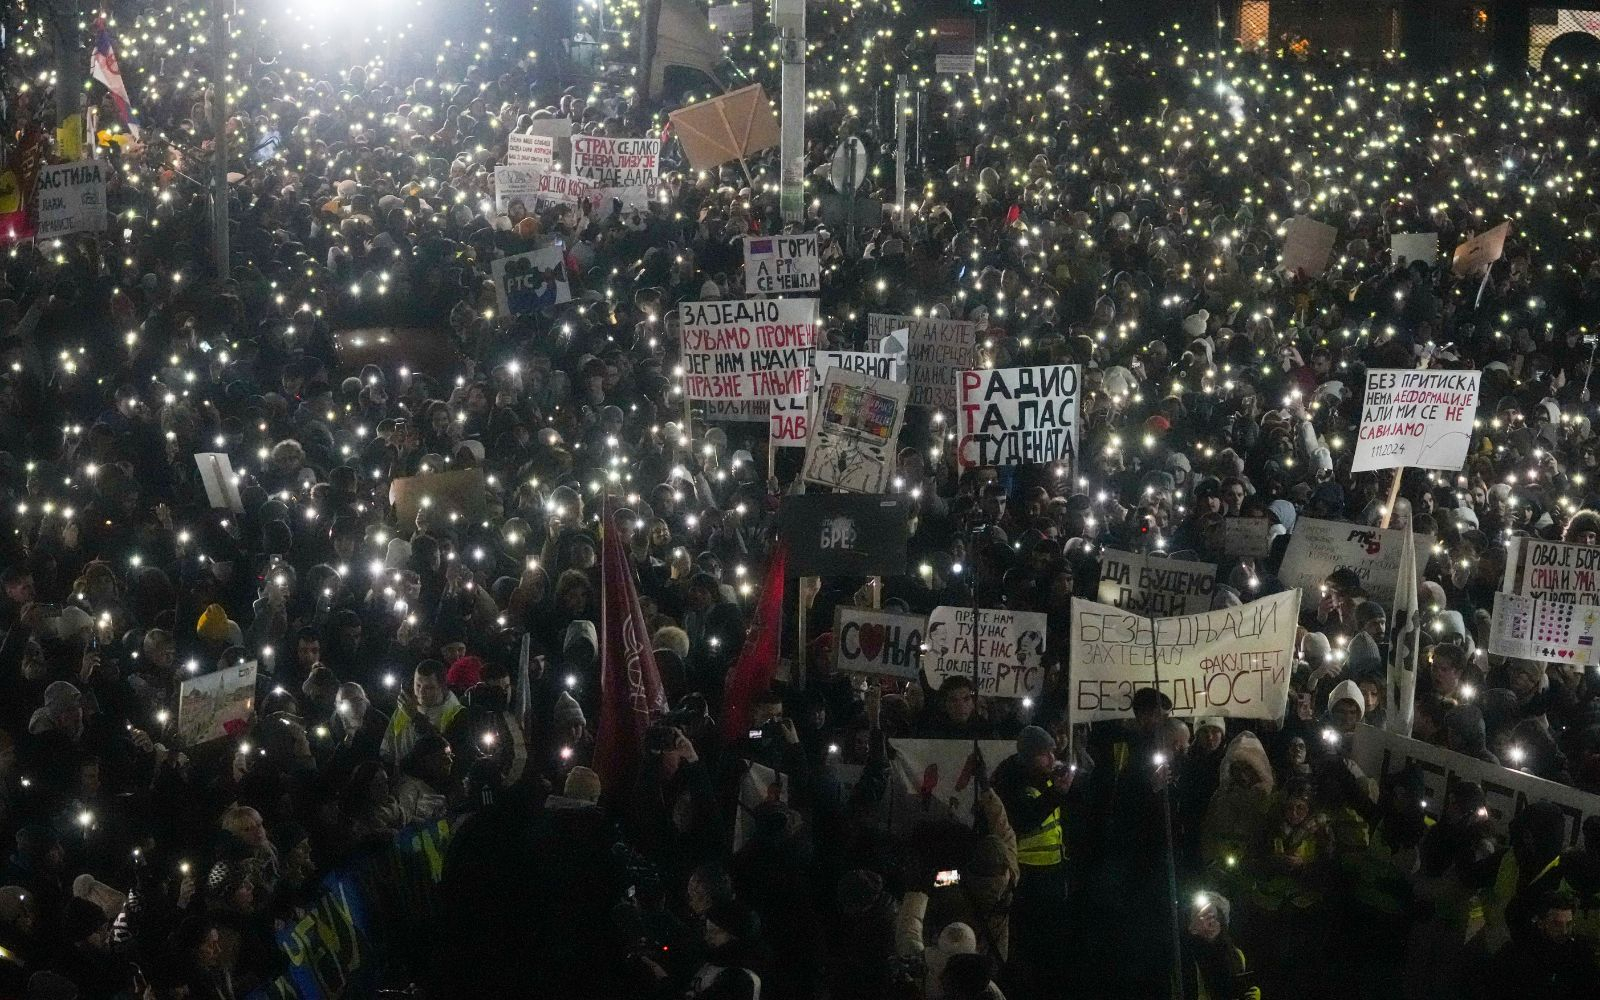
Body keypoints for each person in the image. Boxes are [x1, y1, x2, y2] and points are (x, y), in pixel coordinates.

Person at [992, 725, 1072, 992]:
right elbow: (1023, 821)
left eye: (1052, 752)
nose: (1051, 759)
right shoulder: (1010, 780)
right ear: (1028, 756)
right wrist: (1056, 794)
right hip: (1025, 875)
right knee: (1027, 945)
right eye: (1043, 754)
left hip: (1052, 871)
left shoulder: (1046, 774)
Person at [1180, 892, 1259, 1000]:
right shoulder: (1184, 958)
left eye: (1214, 916)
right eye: (1203, 915)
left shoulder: (1235, 955)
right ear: (1192, 927)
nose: (1211, 920)